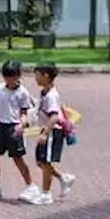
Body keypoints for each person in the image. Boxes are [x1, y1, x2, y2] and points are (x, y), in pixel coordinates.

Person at [0, 60, 42, 204]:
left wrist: (22, 124)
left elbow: (25, 112)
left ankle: (30, 186)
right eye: (6, 77)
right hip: (0, 126)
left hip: (13, 127)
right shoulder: (0, 89)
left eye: (12, 77)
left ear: (18, 76)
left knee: (17, 158)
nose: (9, 81)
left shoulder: (22, 93)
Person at [33, 62, 75, 205]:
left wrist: (45, 133)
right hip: (47, 130)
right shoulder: (45, 92)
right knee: (41, 162)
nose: (35, 78)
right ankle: (64, 178)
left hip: (52, 131)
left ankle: (46, 194)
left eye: (37, 75)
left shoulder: (51, 95)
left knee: (45, 162)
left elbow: (54, 117)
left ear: (46, 76)